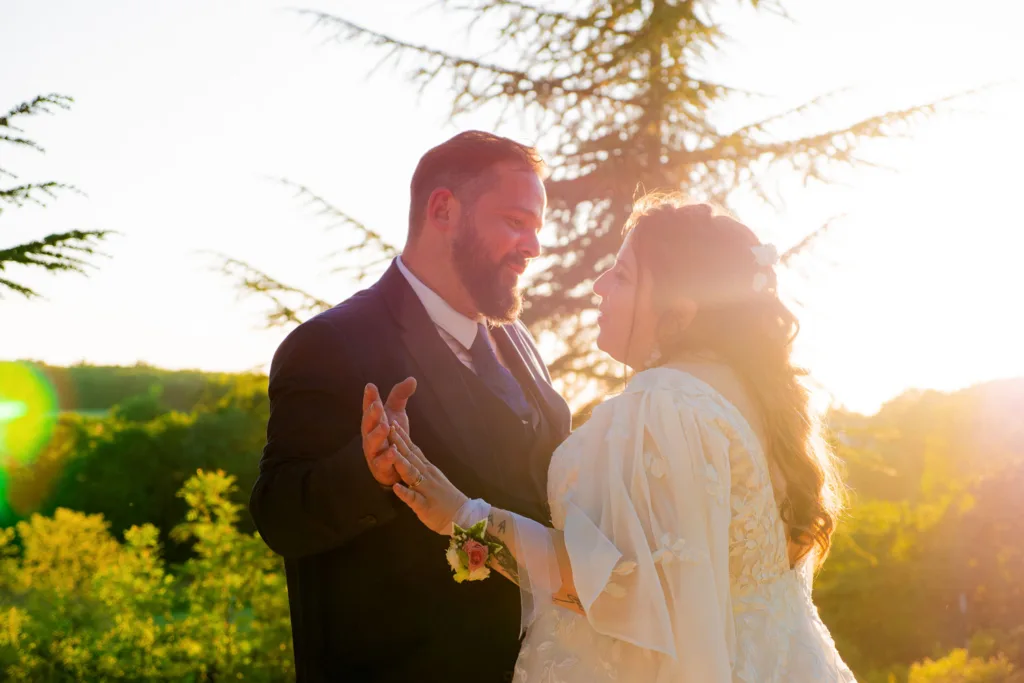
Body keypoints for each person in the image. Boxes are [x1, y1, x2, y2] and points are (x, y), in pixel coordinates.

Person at [375, 195, 858, 681]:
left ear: (680, 312)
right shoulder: (756, 394)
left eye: (623, 276)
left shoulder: (662, 404)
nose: (599, 285)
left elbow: (617, 590)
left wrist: (462, 517)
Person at [250, 130, 572, 682]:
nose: (533, 247)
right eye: (515, 222)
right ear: (443, 209)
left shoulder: (517, 337)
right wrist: (366, 469)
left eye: (536, 228)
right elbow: (279, 515)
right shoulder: (331, 344)